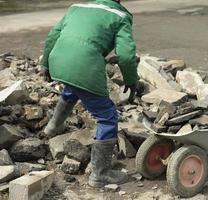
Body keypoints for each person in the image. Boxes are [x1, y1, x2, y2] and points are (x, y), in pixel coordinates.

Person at [41, 0, 138, 187]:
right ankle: (100, 174)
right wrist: (131, 79)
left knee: (72, 90)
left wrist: (46, 63)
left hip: (59, 60)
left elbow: (53, 35)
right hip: (85, 65)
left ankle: (52, 129)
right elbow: (126, 55)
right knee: (107, 116)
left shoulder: (76, 7)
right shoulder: (120, 16)